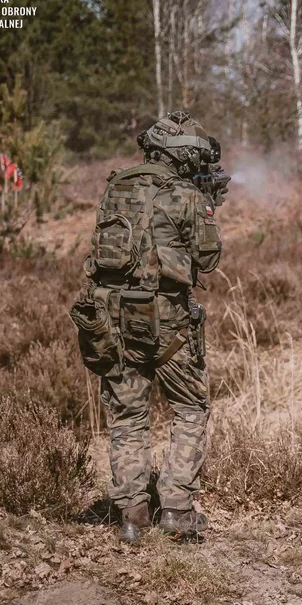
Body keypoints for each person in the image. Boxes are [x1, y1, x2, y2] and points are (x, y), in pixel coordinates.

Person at [70, 110, 226, 544]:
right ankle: (176, 507)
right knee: (191, 408)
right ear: (181, 156)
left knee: (127, 414)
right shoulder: (185, 194)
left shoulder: (116, 186)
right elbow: (209, 259)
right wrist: (208, 205)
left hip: (113, 318)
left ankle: (132, 515)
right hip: (166, 322)